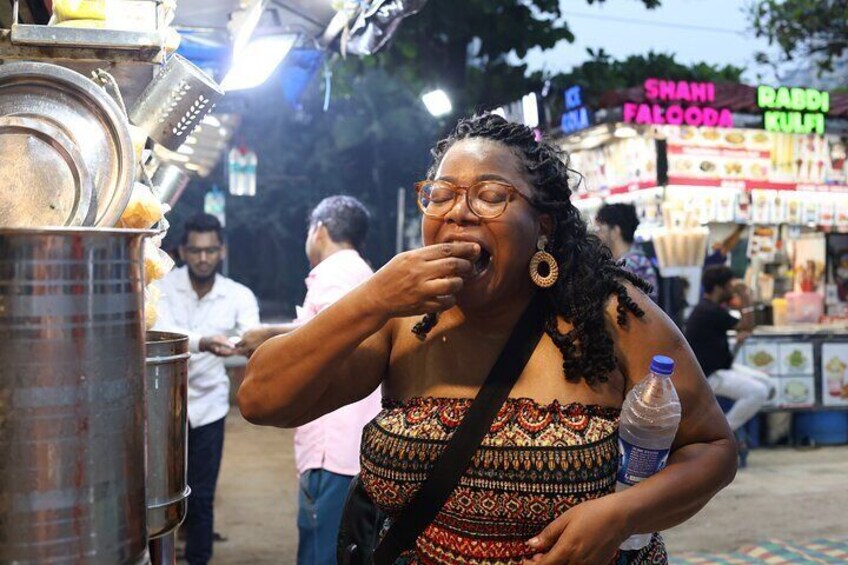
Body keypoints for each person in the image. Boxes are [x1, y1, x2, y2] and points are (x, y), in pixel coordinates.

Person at [238, 115, 736, 564]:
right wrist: (372, 299)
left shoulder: (611, 315)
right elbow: (263, 400)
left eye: (491, 195)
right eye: (441, 194)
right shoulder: (402, 320)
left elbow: (713, 448)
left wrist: (622, 513)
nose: (459, 212)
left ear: (542, 223)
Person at [238, 195, 381, 565]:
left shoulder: (335, 273)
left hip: (331, 446)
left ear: (319, 230)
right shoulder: (360, 272)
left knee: (320, 550)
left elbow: (332, 334)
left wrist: (269, 335)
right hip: (348, 443)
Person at [155, 213, 260, 565]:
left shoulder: (237, 294)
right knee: (159, 491)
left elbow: (252, 335)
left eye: (210, 250)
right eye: (196, 250)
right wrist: (204, 342)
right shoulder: (164, 285)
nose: (203, 258)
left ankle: (199, 558)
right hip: (163, 405)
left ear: (222, 251)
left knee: (201, 495)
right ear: (183, 250)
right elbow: (157, 328)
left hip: (209, 407)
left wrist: (242, 344)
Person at [684, 266, 775, 433]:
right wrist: (745, 297)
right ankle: (724, 430)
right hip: (709, 375)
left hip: (719, 368)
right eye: (728, 286)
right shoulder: (709, 311)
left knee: (768, 384)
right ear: (718, 288)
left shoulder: (708, 308)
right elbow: (748, 325)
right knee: (759, 392)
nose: (731, 290)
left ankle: (729, 429)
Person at [595, 203, 659, 302]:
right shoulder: (635, 261)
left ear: (615, 231)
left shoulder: (630, 265)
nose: (597, 235)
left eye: (600, 229)